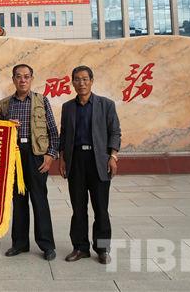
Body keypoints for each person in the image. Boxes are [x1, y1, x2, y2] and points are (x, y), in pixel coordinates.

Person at [59, 65, 121, 265]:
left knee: (101, 208)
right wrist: (62, 158)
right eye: (77, 79)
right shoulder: (68, 107)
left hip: (98, 161)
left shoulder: (106, 105)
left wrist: (113, 156)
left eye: (85, 79)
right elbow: (64, 135)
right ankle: (80, 248)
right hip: (76, 161)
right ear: (72, 83)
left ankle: (102, 249)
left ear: (92, 81)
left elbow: (115, 132)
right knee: (78, 208)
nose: (81, 83)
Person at [0, 64, 58, 261]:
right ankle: (20, 244)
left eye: (26, 76)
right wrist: (7, 125)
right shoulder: (6, 104)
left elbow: (53, 131)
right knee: (18, 201)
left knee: (40, 200)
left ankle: (47, 245)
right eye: (18, 76)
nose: (22, 80)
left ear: (32, 79)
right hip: (15, 157)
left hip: (36, 156)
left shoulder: (42, 100)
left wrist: (50, 155)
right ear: (13, 79)